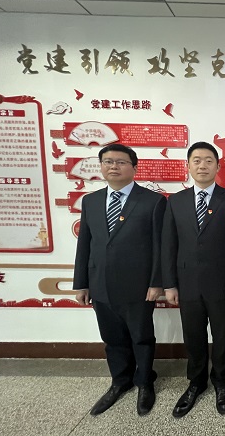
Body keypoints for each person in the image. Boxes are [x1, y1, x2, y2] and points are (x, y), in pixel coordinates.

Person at [73, 143, 166, 416]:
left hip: (138, 286)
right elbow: (84, 245)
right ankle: (120, 381)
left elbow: (160, 246)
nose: (114, 166)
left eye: (121, 162)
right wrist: (81, 283)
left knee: (141, 337)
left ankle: (145, 382)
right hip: (100, 284)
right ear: (101, 166)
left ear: (134, 168)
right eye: (108, 161)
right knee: (112, 338)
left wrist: (156, 282)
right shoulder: (90, 201)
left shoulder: (153, 201)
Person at [162, 141, 225, 418]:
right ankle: (196, 382)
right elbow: (168, 245)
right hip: (186, 283)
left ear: (218, 166)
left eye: (209, 160)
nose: (202, 165)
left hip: (221, 284)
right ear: (188, 166)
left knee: (221, 336)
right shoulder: (176, 201)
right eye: (196, 160)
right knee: (193, 335)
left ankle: (221, 381)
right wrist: (170, 284)